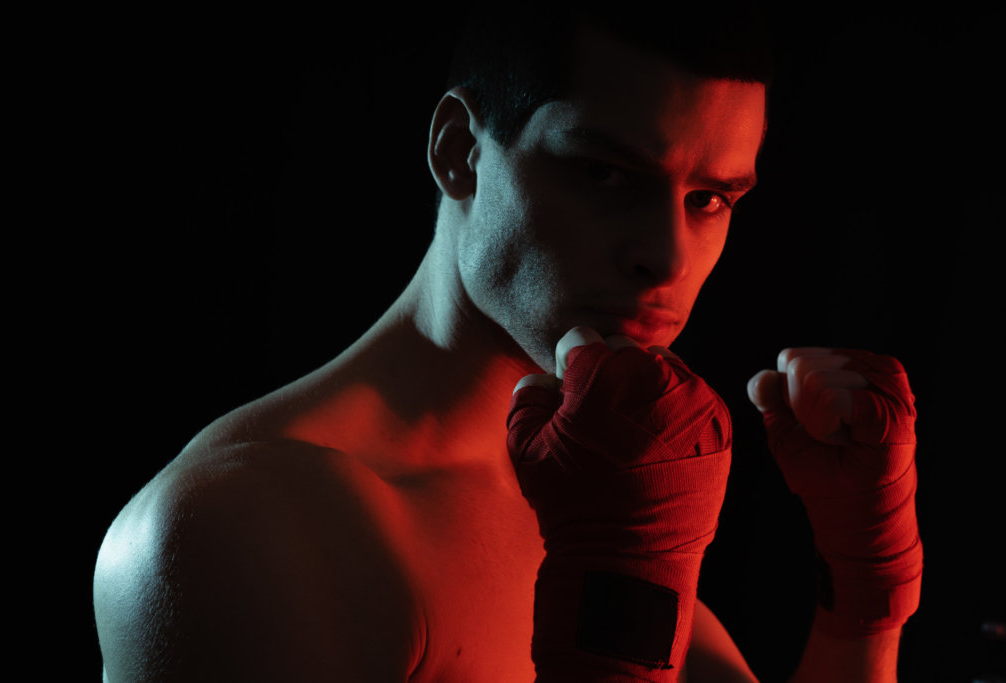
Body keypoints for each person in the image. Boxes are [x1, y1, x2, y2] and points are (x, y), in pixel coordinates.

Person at [93, 9, 923, 681]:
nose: (665, 256)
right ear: (460, 151)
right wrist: (616, 607)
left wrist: (863, 598)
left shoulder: (590, 496)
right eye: (605, 173)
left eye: (709, 198)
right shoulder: (243, 531)